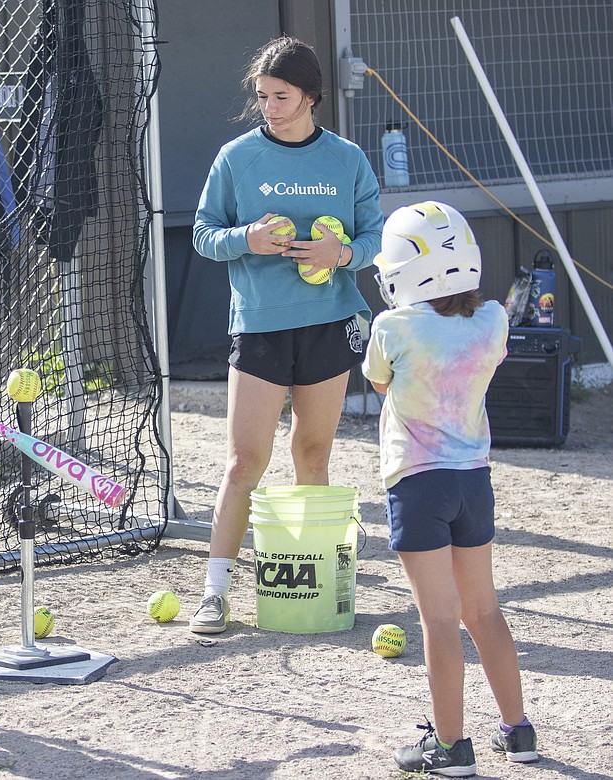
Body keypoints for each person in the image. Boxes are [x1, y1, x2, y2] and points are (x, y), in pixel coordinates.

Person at [189, 36, 383, 633]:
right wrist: (246, 239)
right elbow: (203, 232)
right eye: (263, 96)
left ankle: (310, 582)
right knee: (244, 460)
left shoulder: (347, 159)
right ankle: (215, 591)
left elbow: (377, 238)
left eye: (282, 96)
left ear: (312, 97)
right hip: (261, 327)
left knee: (313, 452)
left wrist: (340, 252)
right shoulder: (236, 157)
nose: (269, 107)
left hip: (328, 324)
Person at [363, 201, 538, 775]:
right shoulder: (493, 318)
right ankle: (518, 732)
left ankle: (449, 746)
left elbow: (381, 382)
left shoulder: (392, 326)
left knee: (439, 620)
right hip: (474, 481)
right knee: (484, 611)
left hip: (417, 482)